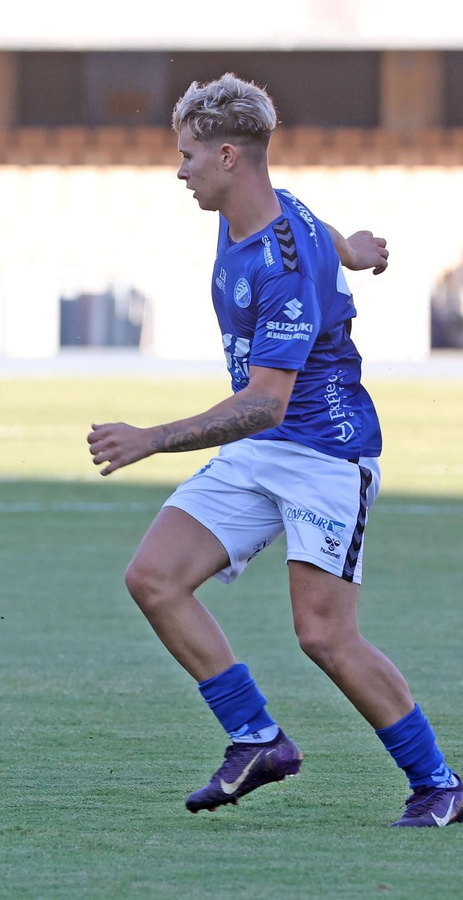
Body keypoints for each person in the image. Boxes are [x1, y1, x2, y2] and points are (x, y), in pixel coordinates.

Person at [87, 73, 460, 827]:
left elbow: (265, 402)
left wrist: (152, 439)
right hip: (262, 449)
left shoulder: (280, 266)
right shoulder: (263, 207)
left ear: (228, 156)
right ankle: (257, 739)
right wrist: (354, 251)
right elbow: (314, 225)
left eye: (188, 155)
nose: (180, 171)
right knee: (154, 578)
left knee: (325, 635)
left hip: (324, 456)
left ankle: (439, 784)